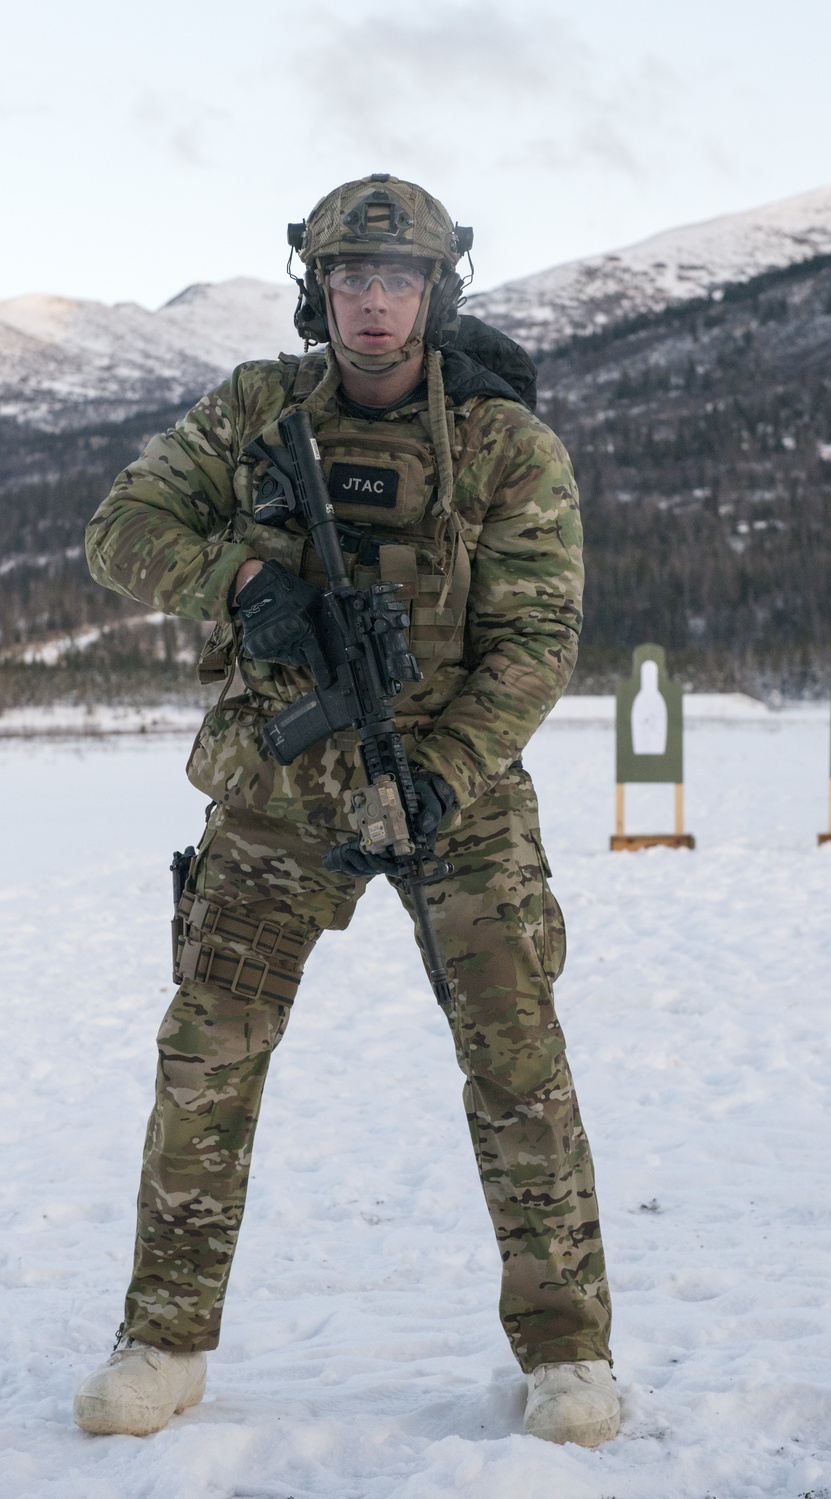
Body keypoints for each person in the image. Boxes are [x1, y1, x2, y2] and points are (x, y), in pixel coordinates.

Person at [74, 175, 617, 1447]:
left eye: (401, 280)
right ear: (317, 292)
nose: (376, 305)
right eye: (353, 281)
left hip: (455, 792)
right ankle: (163, 1339)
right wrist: (243, 578)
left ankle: (569, 1354)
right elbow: (119, 528)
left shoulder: (502, 444)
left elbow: (538, 639)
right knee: (208, 1053)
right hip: (278, 784)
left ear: (439, 289)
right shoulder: (259, 412)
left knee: (517, 1061)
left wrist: (445, 768)